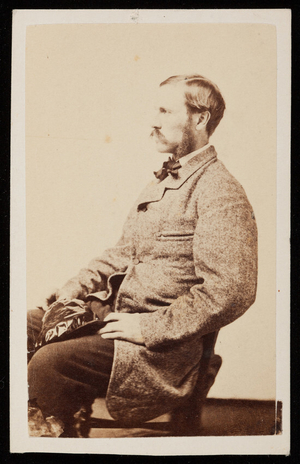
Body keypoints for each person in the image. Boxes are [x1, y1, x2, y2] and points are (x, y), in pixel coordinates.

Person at [27, 74, 258, 437]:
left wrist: (147, 327)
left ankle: (54, 440)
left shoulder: (220, 192)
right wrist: (74, 288)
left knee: (49, 364)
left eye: (165, 110)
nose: (153, 120)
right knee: (25, 326)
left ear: (200, 118)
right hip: (117, 319)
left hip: (160, 349)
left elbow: (233, 290)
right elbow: (123, 253)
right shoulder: (160, 183)